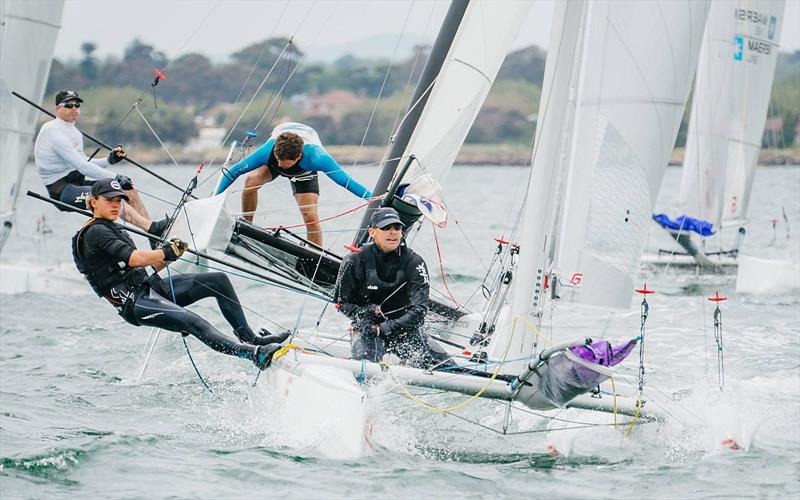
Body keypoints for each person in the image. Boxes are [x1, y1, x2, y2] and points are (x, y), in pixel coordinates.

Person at [72, 178, 289, 371]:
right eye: (109, 200)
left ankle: (249, 337)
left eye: (119, 201)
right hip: (134, 302)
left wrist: (173, 253)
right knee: (192, 321)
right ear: (94, 202)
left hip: (150, 287)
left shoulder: (110, 227)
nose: (116, 205)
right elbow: (134, 259)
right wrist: (165, 251)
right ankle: (253, 354)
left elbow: (141, 267)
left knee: (218, 281)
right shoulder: (96, 232)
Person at [213, 122, 372, 247]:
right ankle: (247, 226)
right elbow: (234, 172)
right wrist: (212, 200)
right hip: (274, 158)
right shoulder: (269, 151)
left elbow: (345, 181)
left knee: (310, 216)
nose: (281, 166)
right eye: (279, 161)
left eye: (286, 164)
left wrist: (374, 199)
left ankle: (315, 256)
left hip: (303, 172)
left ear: (298, 157)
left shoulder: (317, 157)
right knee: (250, 181)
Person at [35, 90, 168, 238]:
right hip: (61, 191)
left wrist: (109, 160)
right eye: (69, 105)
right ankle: (153, 228)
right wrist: (117, 177)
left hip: (77, 181)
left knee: (129, 191)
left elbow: (84, 161)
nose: (74, 108)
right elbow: (82, 166)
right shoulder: (53, 131)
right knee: (111, 197)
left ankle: (154, 235)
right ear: (57, 109)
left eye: (77, 105)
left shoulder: (74, 132)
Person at [334, 207, 449, 368]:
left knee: (449, 369)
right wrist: (366, 313)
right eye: (386, 228)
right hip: (368, 330)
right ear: (372, 232)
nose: (393, 232)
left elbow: (419, 310)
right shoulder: (354, 260)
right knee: (367, 370)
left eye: (397, 228)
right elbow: (341, 303)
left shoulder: (414, 262)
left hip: (405, 330)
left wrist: (384, 328)